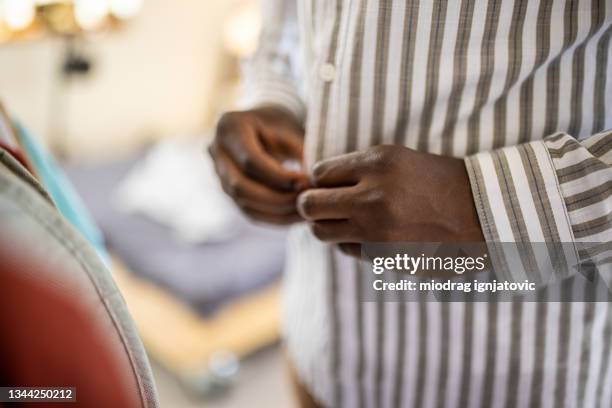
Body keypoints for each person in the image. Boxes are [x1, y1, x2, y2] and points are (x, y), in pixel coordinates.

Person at [209, 1, 612, 407]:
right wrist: (270, 97)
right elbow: (288, 19)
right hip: (316, 354)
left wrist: (492, 204)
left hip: (519, 380)